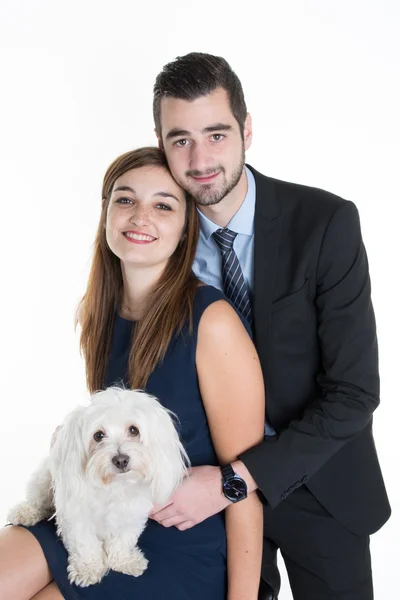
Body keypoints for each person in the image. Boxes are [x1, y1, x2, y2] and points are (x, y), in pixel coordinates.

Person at [150, 52, 391, 600]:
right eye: (180, 139)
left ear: (247, 129)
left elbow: (354, 393)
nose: (200, 158)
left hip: (319, 483)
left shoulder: (326, 223)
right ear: (161, 143)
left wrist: (239, 478)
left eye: (216, 134)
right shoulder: (158, 238)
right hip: (203, 498)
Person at [0, 147, 265, 600]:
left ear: (186, 230)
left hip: (181, 540)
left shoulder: (213, 322)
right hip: (102, 513)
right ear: (105, 213)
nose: (141, 216)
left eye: (163, 205)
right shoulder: (98, 313)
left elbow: (247, 489)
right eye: (126, 200)